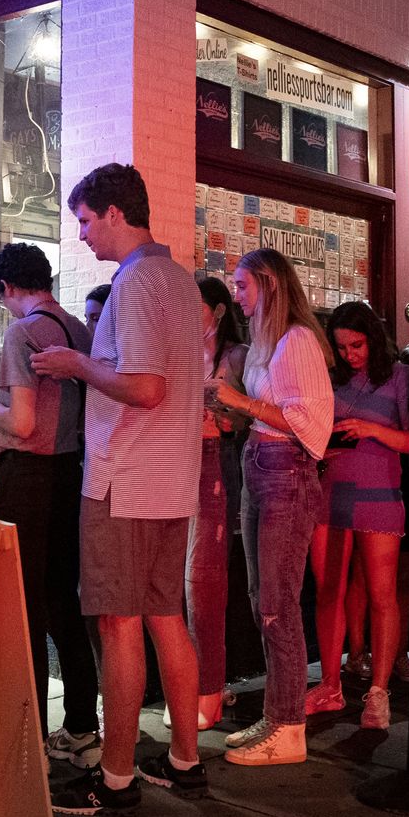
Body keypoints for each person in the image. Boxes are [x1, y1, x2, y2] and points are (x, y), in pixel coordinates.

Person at [31, 164, 206, 812]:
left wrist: (77, 364)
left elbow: (147, 385)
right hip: (170, 479)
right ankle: (185, 761)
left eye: (83, 220)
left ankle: (116, 776)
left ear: (111, 212)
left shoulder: (133, 283)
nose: (80, 235)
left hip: (125, 480)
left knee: (119, 625)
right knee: (165, 618)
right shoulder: (179, 281)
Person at [0, 242, 102, 765]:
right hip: (70, 474)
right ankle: (83, 728)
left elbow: (20, 422)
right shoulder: (78, 330)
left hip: (29, 478)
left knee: (23, 605)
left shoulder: (23, 332)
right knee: (64, 601)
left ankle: (29, 740)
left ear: (8, 290)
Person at [207, 247, 334, 766]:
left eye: (241, 285)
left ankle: (289, 726)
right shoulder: (268, 340)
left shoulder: (298, 340)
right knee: (266, 600)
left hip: (286, 470)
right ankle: (279, 712)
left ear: (269, 284)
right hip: (262, 465)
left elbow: (310, 424)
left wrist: (238, 403)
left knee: (279, 603)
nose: (236, 295)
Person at [306, 302, 409, 730]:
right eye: (342, 347)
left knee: (382, 594)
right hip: (331, 491)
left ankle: (379, 691)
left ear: (374, 338)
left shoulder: (399, 377)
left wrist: (371, 430)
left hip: (379, 492)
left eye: (358, 344)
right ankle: (330, 682)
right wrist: (321, 445)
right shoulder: (332, 379)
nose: (350, 354)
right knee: (328, 589)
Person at [187, 275, 249, 731]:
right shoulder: (186, 351)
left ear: (220, 310)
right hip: (179, 463)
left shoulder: (236, 357)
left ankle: (209, 687)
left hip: (216, 463)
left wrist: (224, 409)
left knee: (203, 582)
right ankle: (196, 684)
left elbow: (239, 423)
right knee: (181, 583)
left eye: (197, 305)